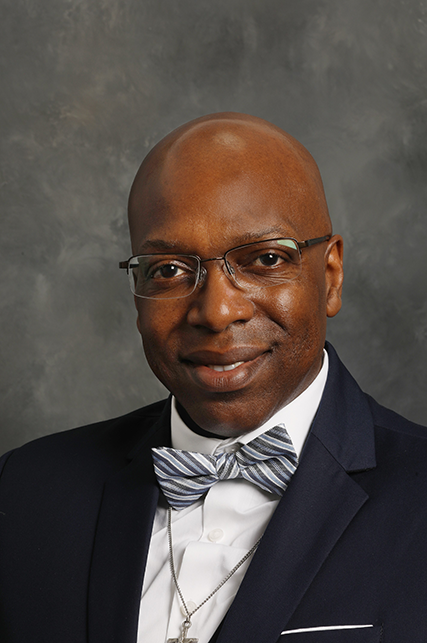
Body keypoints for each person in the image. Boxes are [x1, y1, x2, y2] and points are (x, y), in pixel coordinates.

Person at [1, 112, 426, 643]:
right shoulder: (23, 492)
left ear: (331, 277)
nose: (218, 312)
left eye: (265, 259)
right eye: (169, 269)